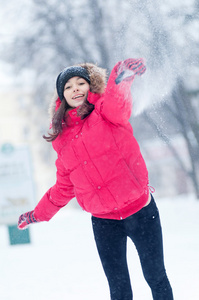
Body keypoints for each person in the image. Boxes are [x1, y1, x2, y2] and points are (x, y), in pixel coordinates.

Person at [18, 58, 173, 300]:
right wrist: (38, 214)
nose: (75, 89)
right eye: (68, 86)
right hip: (104, 223)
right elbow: (64, 186)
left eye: (81, 83)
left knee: (155, 276)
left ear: (91, 87)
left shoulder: (106, 111)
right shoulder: (62, 138)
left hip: (141, 212)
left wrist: (122, 76)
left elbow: (117, 100)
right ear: (62, 96)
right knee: (119, 290)